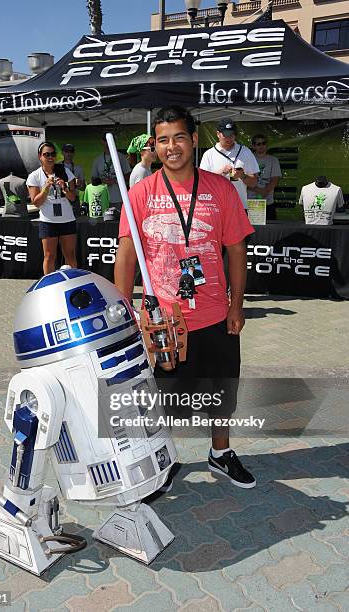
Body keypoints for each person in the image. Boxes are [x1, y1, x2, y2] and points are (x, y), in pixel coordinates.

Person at [115, 105, 256, 491]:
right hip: (163, 320)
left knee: (223, 389)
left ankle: (221, 453)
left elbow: (237, 251)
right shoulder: (140, 193)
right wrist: (125, 311)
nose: (171, 146)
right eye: (163, 140)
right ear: (153, 145)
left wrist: (236, 305)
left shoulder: (221, 189)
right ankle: (161, 461)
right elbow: (126, 254)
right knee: (162, 399)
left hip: (213, 312)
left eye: (179, 137)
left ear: (194, 140)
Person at [27, 141, 77, 274]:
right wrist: (46, 187)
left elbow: (73, 197)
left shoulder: (64, 171)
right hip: (48, 221)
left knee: (70, 255)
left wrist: (64, 188)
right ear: (40, 156)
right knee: (49, 256)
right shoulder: (34, 176)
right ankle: (49, 287)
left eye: (53, 154)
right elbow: (36, 202)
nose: (50, 157)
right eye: (46, 154)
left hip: (67, 219)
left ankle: (72, 284)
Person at [200, 118, 259, 209]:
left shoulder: (245, 152)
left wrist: (242, 176)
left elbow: (254, 182)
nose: (229, 138)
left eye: (232, 134)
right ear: (218, 134)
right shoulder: (209, 154)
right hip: (216, 208)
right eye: (226, 134)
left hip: (239, 207)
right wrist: (221, 173)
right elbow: (202, 183)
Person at [92, 132, 131, 209]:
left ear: (114, 142)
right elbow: (93, 181)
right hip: (102, 199)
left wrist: (115, 181)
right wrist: (102, 181)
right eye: (105, 140)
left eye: (109, 140)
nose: (107, 143)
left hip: (119, 198)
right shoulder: (98, 160)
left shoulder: (121, 157)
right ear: (102, 142)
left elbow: (128, 176)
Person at [248, 134, 282, 220]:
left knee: (271, 230)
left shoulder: (273, 160)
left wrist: (265, 191)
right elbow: (243, 179)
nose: (261, 146)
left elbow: (275, 179)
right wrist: (258, 190)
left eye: (263, 143)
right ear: (253, 146)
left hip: (268, 202)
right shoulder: (247, 159)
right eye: (258, 144)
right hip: (251, 202)